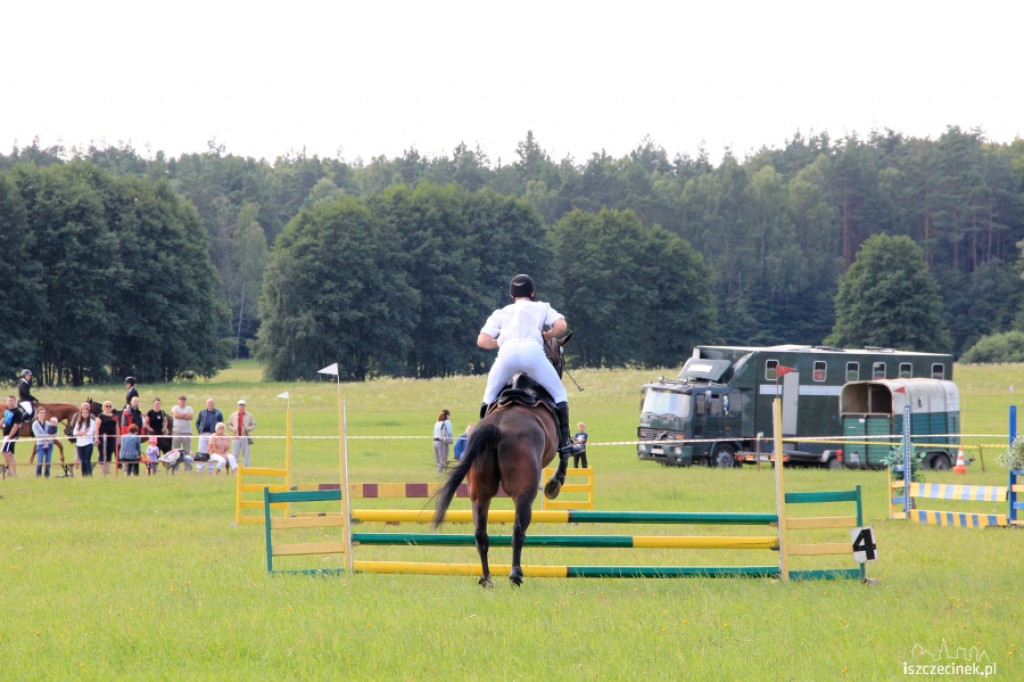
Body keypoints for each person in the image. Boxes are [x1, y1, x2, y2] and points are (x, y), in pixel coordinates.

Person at [477, 274, 583, 459]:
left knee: (489, 397)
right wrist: (546, 336)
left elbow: (482, 341)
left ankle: (483, 444)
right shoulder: (542, 307)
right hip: (533, 354)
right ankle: (565, 444)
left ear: (512, 295)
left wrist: (501, 342)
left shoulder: (500, 313)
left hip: (506, 356)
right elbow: (561, 325)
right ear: (532, 293)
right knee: (560, 394)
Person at [95, 401, 120, 476]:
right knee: (102, 453)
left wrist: (118, 439)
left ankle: (107, 470)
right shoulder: (100, 416)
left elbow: (117, 427)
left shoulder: (115, 416)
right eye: (106, 406)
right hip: (102, 438)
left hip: (112, 438)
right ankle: (102, 470)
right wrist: (97, 438)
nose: (108, 408)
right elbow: (97, 428)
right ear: (104, 407)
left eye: (109, 406)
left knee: (109, 453)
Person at [195, 398, 223, 464]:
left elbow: (221, 424)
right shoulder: (202, 412)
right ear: (207, 404)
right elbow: (197, 423)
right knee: (201, 451)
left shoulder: (218, 413)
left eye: (212, 402)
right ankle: (200, 468)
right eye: (209, 403)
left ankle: (210, 468)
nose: (210, 404)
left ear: (214, 404)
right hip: (203, 434)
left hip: (213, 434)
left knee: (212, 451)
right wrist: (200, 431)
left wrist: (217, 434)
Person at [228, 399, 256, 468]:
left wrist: (248, 429)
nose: (241, 407)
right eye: (240, 405)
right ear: (237, 406)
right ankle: (234, 469)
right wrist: (234, 429)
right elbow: (228, 424)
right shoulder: (233, 415)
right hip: (235, 437)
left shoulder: (249, 415)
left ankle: (246, 468)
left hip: (245, 437)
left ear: (245, 406)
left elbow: (254, 425)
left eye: (243, 405)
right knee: (234, 454)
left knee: (246, 454)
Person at [2, 395, 25, 476]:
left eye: (11, 401)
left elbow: (16, 426)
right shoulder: (7, 410)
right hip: (5, 434)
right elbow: (3, 419)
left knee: (4, 451)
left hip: (11, 436)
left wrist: (10, 437)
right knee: (10, 454)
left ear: (15, 401)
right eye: (8, 401)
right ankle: (13, 473)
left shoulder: (18, 412)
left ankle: (9, 471)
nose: (9, 402)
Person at [32, 407, 58, 478]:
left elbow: (55, 433)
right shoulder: (35, 424)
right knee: (40, 460)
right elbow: (37, 435)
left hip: (49, 444)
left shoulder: (48, 423)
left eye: (44, 413)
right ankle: (38, 475)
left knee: (48, 461)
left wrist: (49, 436)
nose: (42, 414)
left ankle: (47, 476)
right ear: (37, 414)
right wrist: (48, 435)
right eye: (41, 413)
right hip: (40, 444)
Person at [171, 395, 195, 471]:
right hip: (176, 432)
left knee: (187, 451)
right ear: (178, 401)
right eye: (181, 400)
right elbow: (176, 415)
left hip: (187, 433)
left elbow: (191, 416)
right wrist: (185, 415)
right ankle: (175, 467)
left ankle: (188, 468)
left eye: (183, 400)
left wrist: (180, 416)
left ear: (185, 401)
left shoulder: (189, 408)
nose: (182, 402)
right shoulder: (175, 407)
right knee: (176, 452)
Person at [73, 404, 96, 476]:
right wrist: (83, 433)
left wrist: (80, 433)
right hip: (79, 444)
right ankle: (84, 475)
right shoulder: (78, 422)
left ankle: (89, 474)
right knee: (82, 461)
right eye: (83, 412)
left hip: (88, 443)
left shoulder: (92, 422)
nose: (85, 414)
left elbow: (90, 433)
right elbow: (74, 433)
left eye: (86, 412)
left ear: (88, 413)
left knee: (87, 460)